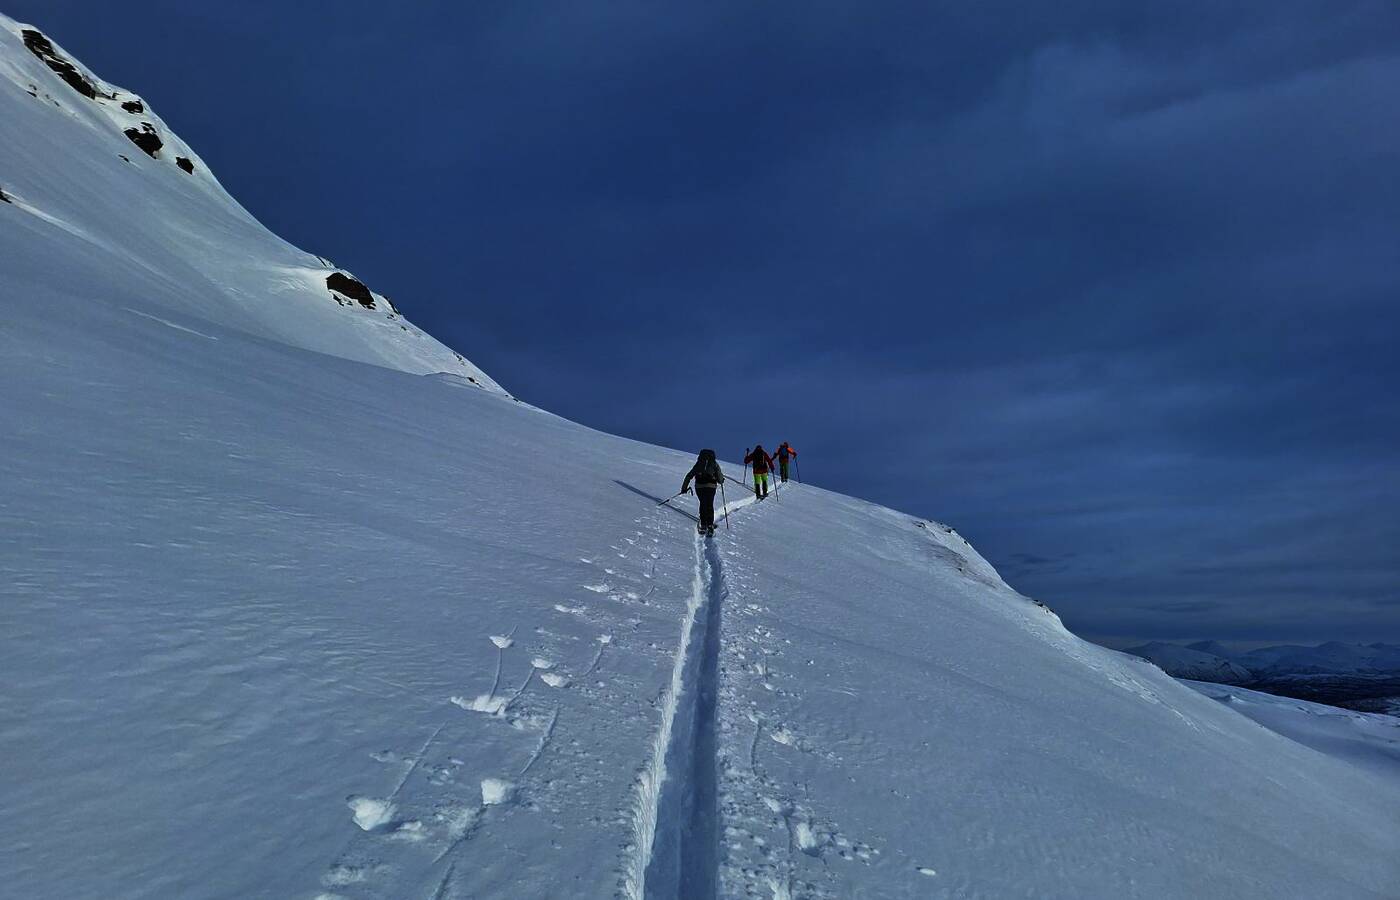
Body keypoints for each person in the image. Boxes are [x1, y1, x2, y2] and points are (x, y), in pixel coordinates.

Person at [682, 448, 723, 535]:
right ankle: (710, 525)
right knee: (709, 504)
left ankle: (703, 525)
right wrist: (721, 480)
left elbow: (689, 475)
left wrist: (684, 488)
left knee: (703, 503)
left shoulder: (699, 463)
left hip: (699, 487)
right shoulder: (714, 464)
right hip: (711, 487)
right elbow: (719, 478)